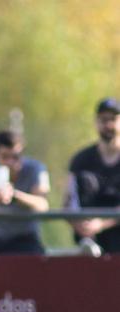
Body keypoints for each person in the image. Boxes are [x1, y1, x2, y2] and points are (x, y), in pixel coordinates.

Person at [65, 97, 120, 255]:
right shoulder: (81, 159)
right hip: (90, 243)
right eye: (103, 120)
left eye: (113, 119)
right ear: (96, 122)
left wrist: (102, 223)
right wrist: (81, 225)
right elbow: (68, 201)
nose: (108, 125)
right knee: (86, 180)